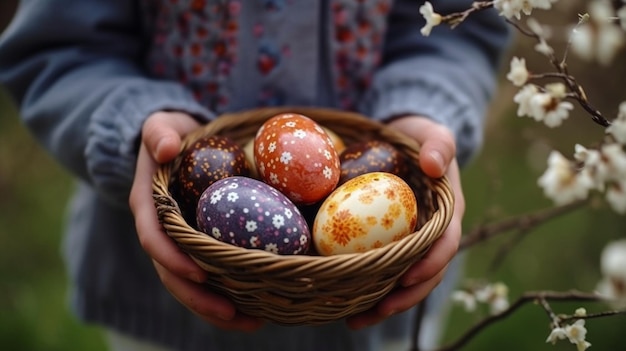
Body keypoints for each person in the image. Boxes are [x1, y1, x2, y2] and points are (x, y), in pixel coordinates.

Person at [0, 1, 511, 350]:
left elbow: (459, 24)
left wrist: (421, 114)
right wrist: (136, 130)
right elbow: (61, 46)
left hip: (383, 289)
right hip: (166, 306)